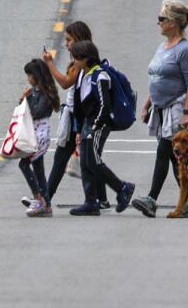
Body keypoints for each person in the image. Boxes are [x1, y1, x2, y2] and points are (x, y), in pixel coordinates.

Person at [131, 0, 188, 218]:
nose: (158, 22)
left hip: (177, 108)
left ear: (174, 22)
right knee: (174, 157)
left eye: (162, 18)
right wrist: (148, 103)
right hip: (161, 108)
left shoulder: (185, 50)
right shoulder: (163, 47)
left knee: (164, 151)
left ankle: (151, 199)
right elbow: (158, 77)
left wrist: (187, 113)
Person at [40, 21, 106, 209]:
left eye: (69, 40)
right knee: (88, 159)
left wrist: (50, 63)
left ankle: (46, 199)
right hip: (74, 116)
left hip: (78, 118)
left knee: (66, 159)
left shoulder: (81, 62)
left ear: (78, 39)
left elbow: (65, 83)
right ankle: (100, 198)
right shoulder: (78, 61)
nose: (66, 44)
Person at [68, 39, 135, 216]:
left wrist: (95, 127)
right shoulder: (85, 75)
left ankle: (123, 188)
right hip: (87, 125)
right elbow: (80, 104)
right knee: (85, 163)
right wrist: (79, 129)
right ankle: (91, 202)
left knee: (94, 161)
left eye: (76, 57)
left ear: (86, 58)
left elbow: (105, 106)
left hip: (98, 125)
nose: (73, 60)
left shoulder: (100, 76)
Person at [20, 59, 59, 217]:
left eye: (30, 74)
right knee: (38, 169)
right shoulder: (36, 91)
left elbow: (36, 112)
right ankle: (46, 204)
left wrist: (27, 98)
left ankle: (38, 198)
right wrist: (24, 98)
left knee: (24, 164)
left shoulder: (44, 93)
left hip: (39, 135)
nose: (28, 78)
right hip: (33, 132)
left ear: (36, 75)